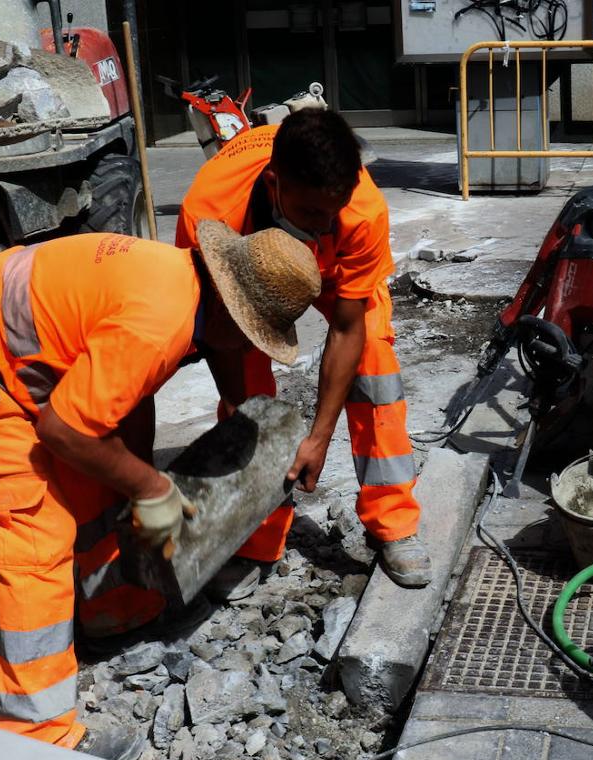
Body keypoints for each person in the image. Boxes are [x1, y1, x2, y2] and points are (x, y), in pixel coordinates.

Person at [0, 225, 320, 760]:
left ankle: (113, 613)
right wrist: (152, 485)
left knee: (96, 485)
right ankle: (33, 736)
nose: (249, 348)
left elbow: (123, 410)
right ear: (231, 312)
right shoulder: (160, 323)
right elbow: (64, 433)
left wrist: (134, 479)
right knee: (33, 536)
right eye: (253, 335)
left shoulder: (177, 281)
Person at [175, 108, 432, 590]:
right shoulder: (210, 211)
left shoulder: (359, 211)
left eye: (334, 210)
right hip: (248, 265)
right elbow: (219, 332)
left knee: (374, 356)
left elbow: (347, 325)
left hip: (334, 272)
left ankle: (393, 520)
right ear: (274, 184)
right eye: (314, 214)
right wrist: (240, 413)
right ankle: (257, 537)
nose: (326, 222)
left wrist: (317, 436)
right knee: (247, 392)